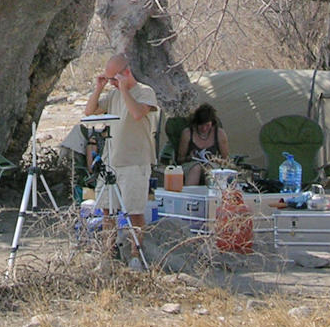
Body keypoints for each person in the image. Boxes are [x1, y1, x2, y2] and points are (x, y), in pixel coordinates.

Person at [82, 54, 158, 255]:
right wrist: (99, 88)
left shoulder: (144, 92)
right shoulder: (113, 95)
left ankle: (136, 254)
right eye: (110, 81)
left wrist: (124, 89)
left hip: (134, 162)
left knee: (134, 211)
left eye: (114, 79)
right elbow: (89, 112)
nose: (113, 84)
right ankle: (109, 251)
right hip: (112, 161)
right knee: (107, 211)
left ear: (126, 72)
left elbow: (137, 113)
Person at [175, 103, 229, 185]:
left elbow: (226, 160)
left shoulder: (219, 134)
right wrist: (190, 157)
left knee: (209, 169)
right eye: (200, 125)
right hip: (191, 165)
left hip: (213, 165)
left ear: (212, 123)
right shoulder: (187, 133)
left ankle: (212, 194)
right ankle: (190, 194)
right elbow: (179, 159)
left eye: (207, 125)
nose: (204, 128)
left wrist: (215, 159)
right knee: (196, 168)